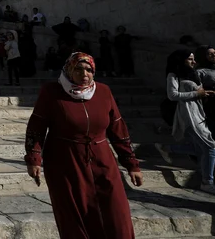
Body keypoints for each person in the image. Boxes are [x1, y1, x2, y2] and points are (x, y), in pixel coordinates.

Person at [25, 53, 143, 238]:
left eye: (89, 69)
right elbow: (37, 127)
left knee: (116, 213)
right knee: (75, 215)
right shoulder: (51, 92)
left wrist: (131, 164)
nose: (84, 73)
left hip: (102, 160)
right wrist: (34, 158)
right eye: (78, 69)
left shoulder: (103, 91)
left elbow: (118, 129)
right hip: (65, 162)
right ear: (69, 70)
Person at [155, 50, 215, 196]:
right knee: (211, 148)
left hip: (199, 113)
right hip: (188, 115)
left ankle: (168, 148)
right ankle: (207, 182)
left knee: (201, 149)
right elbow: (172, 95)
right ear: (181, 60)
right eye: (190, 59)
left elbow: (197, 92)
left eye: (194, 59)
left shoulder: (191, 74)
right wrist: (197, 93)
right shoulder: (173, 75)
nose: (193, 62)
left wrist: (206, 93)